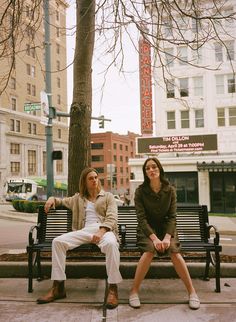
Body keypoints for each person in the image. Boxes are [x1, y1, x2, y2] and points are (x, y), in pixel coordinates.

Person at [37, 167, 123, 309]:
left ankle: (113, 288)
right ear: (84, 181)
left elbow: (112, 217)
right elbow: (61, 201)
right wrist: (51, 199)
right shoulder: (78, 198)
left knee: (112, 245)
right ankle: (58, 287)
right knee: (57, 242)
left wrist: (101, 232)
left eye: (96, 177)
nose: (95, 180)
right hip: (84, 231)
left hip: (104, 230)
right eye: (91, 178)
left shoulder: (108, 197)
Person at [129, 157, 200, 310]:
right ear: (145, 172)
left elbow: (173, 217)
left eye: (154, 167)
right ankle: (134, 292)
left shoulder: (171, 190)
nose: (151, 170)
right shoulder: (140, 192)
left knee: (174, 252)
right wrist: (154, 239)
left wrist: (167, 237)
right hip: (146, 230)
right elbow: (141, 219)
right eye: (147, 168)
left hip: (167, 229)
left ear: (159, 169)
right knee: (149, 251)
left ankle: (192, 292)